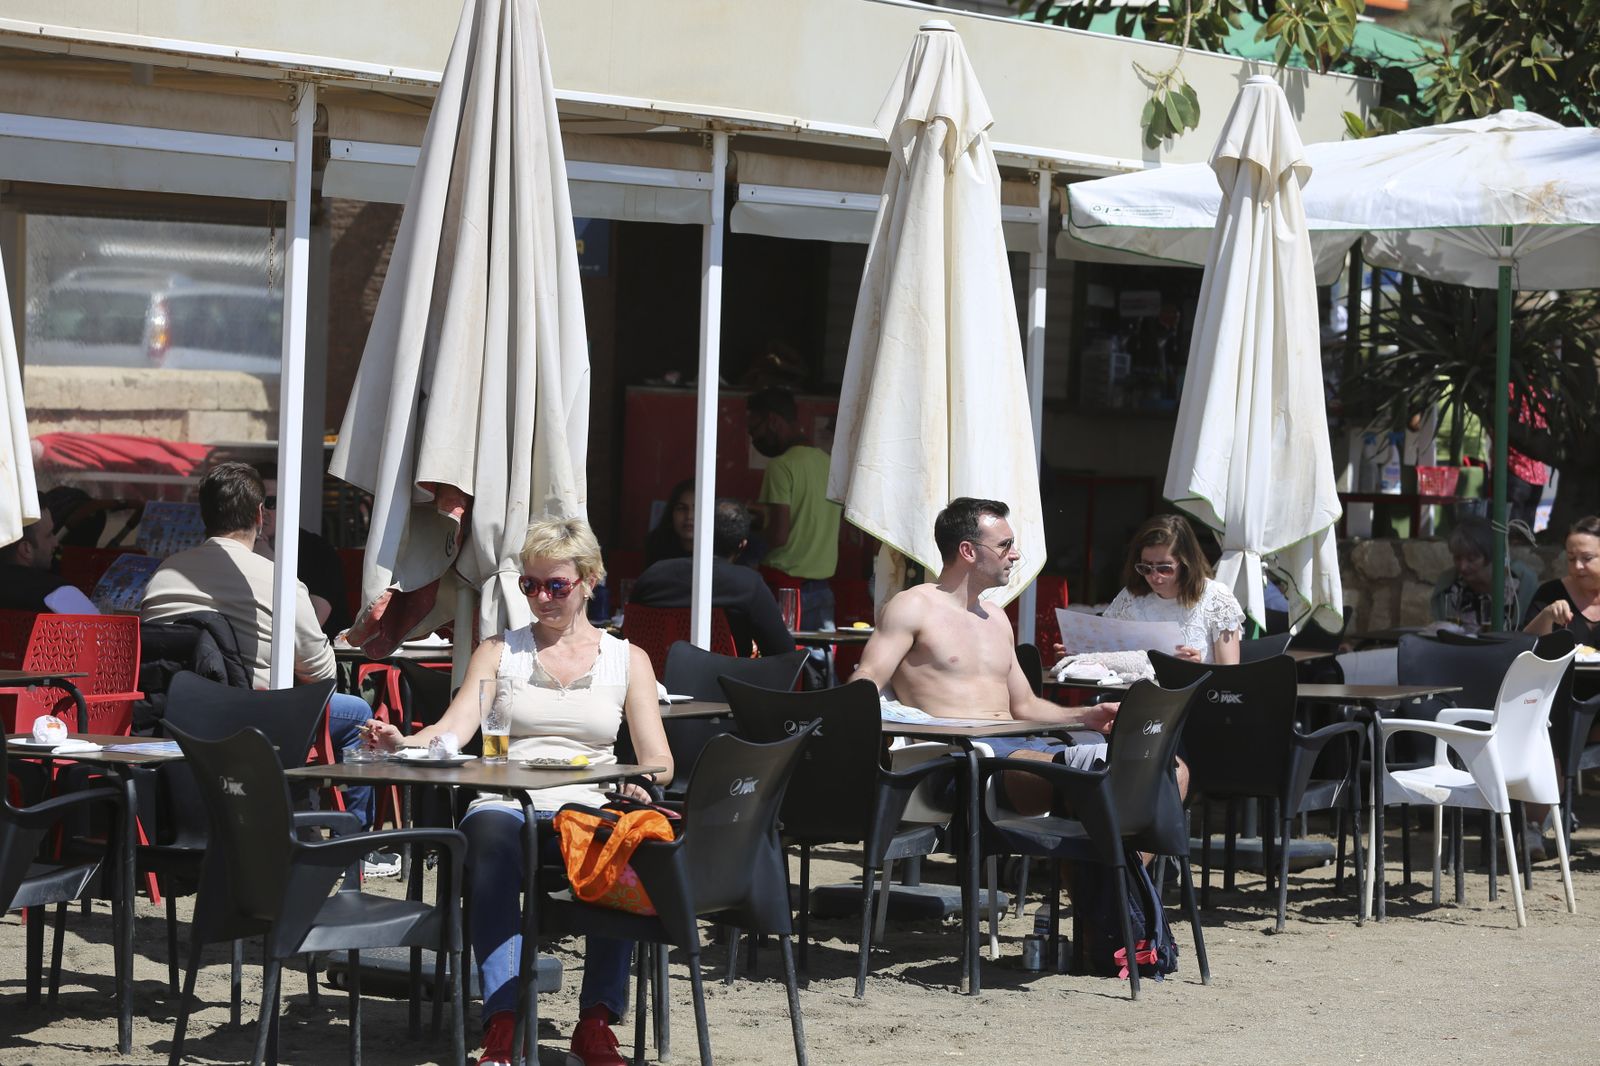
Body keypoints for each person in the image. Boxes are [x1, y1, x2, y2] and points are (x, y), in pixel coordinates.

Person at [366, 516, 672, 1066]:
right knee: (488, 838)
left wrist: (642, 779)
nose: (541, 598)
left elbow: (660, 760)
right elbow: (452, 731)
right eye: (530, 585)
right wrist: (403, 741)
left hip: (589, 804)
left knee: (623, 846)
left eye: (556, 585)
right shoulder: (500, 651)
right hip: (506, 801)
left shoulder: (628, 659)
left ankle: (596, 1022)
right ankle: (502, 1021)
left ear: (589, 580)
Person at [139, 463, 378, 838]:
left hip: (174, 720)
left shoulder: (165, 575)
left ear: (204, 515)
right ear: (259, 515)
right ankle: (355, 842)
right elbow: (322, 674)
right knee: (359, 714)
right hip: (253, 722)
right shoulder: (277, 581)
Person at [852, 498, 1117, 814]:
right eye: (1005, 545)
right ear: (968, 551)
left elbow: (1024, 705)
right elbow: (866, 680)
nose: (1014, 555)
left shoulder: (996, 616)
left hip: (1021, 748)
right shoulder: (913, 606)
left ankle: (1095, 811)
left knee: (1147, 770)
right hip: (958, 759)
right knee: (1092, 775)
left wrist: (1086, 716)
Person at [1067, 514, 1244, 671]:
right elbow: (1104, 651)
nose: (1154, 576)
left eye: (1164, 568)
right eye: (1145, 567)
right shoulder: (1131, 597)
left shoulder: (1216, 598)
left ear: (1185, 564)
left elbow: (1229, 676)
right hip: (1134, 693)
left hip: (1194, 695)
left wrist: (1198, 666)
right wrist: (1076, 653)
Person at [630, 499, 793, 658]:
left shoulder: (653, 575)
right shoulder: (749, 584)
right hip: (726, 675)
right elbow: (783, 652)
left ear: (698, 534)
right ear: (742, 545)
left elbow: (631, 636)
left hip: (658, 674)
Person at [746, 387, 842, 629]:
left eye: (754, 429)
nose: (754, 439)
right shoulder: (829, 464)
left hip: (786, 592)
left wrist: (748, 535)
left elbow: (778, 536)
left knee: (781, 654)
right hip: (823, 590)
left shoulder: (781, 466)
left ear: (773, 421)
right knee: (819, 655)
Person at [253, 462, 352, 638]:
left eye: (271, 502)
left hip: (318, 650)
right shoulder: (239, 547)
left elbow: (310, 626)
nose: (262, 512)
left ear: (287, 505)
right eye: (254, 503)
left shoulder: (318, 551)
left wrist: (270, 562)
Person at [1430, 516, 1536, 632]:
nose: (1462, 566)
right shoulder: (1449, 585)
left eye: (1471, 559)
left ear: (1491, 556)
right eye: (1457, 558)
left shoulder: (1520, 583)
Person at [0, 495, 99, 614]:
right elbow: (99, 625)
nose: (55, 542)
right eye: (49, 535)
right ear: (26, 549)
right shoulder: (60, 594)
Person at [1523, 515, 1600, 646]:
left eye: (1587, 558)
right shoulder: (1549, 594)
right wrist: (1547, 615)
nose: (1577, 566)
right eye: (1571, 558)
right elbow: (1526, 645)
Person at [642, 478, 694, 567]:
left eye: (697, 508)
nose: (689, 516)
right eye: (682, 508)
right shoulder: (657, 547)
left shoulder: (718, 555)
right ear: (671, 513)